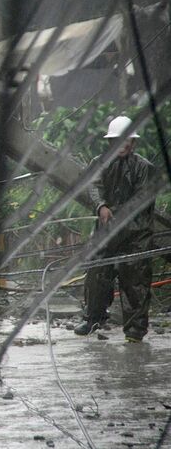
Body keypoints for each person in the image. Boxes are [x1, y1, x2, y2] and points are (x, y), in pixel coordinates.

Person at [74, 116, 155, 342]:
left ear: (133, 142)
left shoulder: (144, 168)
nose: (123, 144)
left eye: (127, 140)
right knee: (97, 273)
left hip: (135, 235)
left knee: (135, 282)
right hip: (107, 233)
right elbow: (93, 186)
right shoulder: (98, 164)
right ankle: (93, 319)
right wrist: (101, 206)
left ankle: (135, 332)